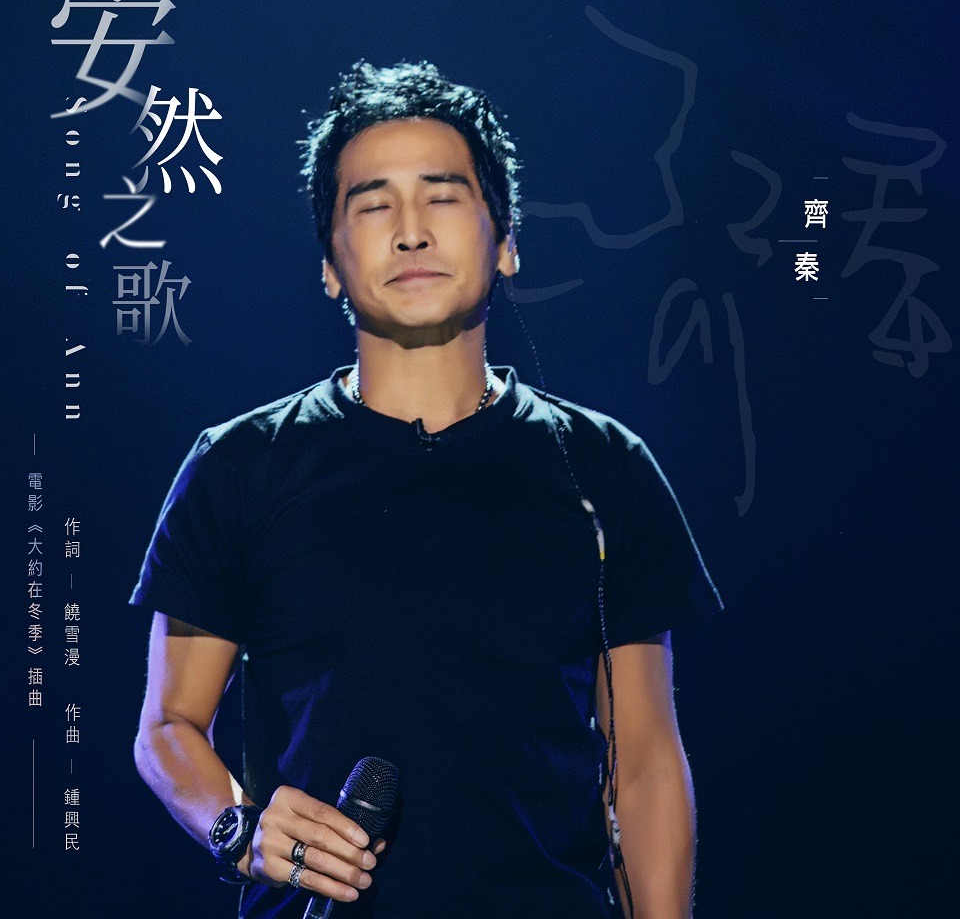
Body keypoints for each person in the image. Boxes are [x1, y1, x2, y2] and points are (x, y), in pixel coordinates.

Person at [130, 59, 723, 919]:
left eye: (442, 197)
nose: (410, 232)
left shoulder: (604, 465)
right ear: (330, 265)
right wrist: (239, 828)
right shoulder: (240, 465)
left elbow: (646, 763)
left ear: (506, 241)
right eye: (373, 206)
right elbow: (166, 727)